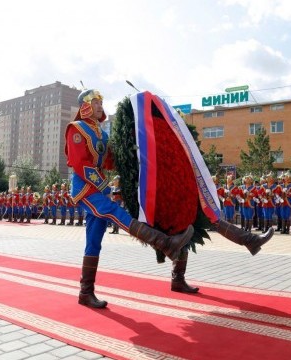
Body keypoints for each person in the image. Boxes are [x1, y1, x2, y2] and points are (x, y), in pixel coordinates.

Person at [66, 88, 199, 309]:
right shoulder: (76, 129)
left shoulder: (101, 133)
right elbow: (80, 164)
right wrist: (103, 186)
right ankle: (164, 243)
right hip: (85, 189)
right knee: (115, 212)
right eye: (95, 102)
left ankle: (85, 292)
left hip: (98, 189)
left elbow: (109, 161)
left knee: (94, 243)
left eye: (101, 102)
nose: (100, 106)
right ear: (85, 106)